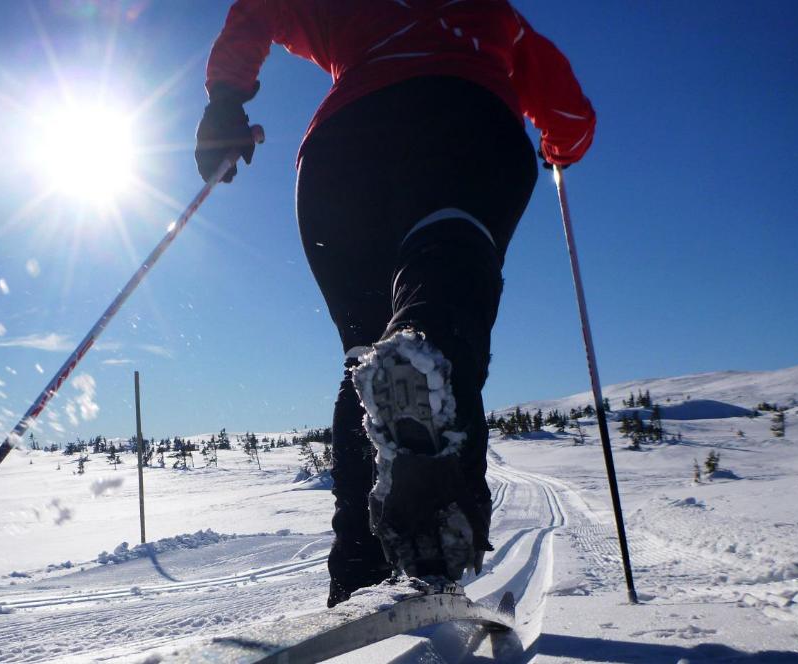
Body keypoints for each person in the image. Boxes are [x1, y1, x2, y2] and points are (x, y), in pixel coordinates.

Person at [195, 0, 594, 608]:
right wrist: (562, 147)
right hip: (468, 122)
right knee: (446, 279)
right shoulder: (493, 15)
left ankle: (358, 568)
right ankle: (428, 360)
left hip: (343, 153)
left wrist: (225, 99)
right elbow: (569, 112)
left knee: (363, 357)